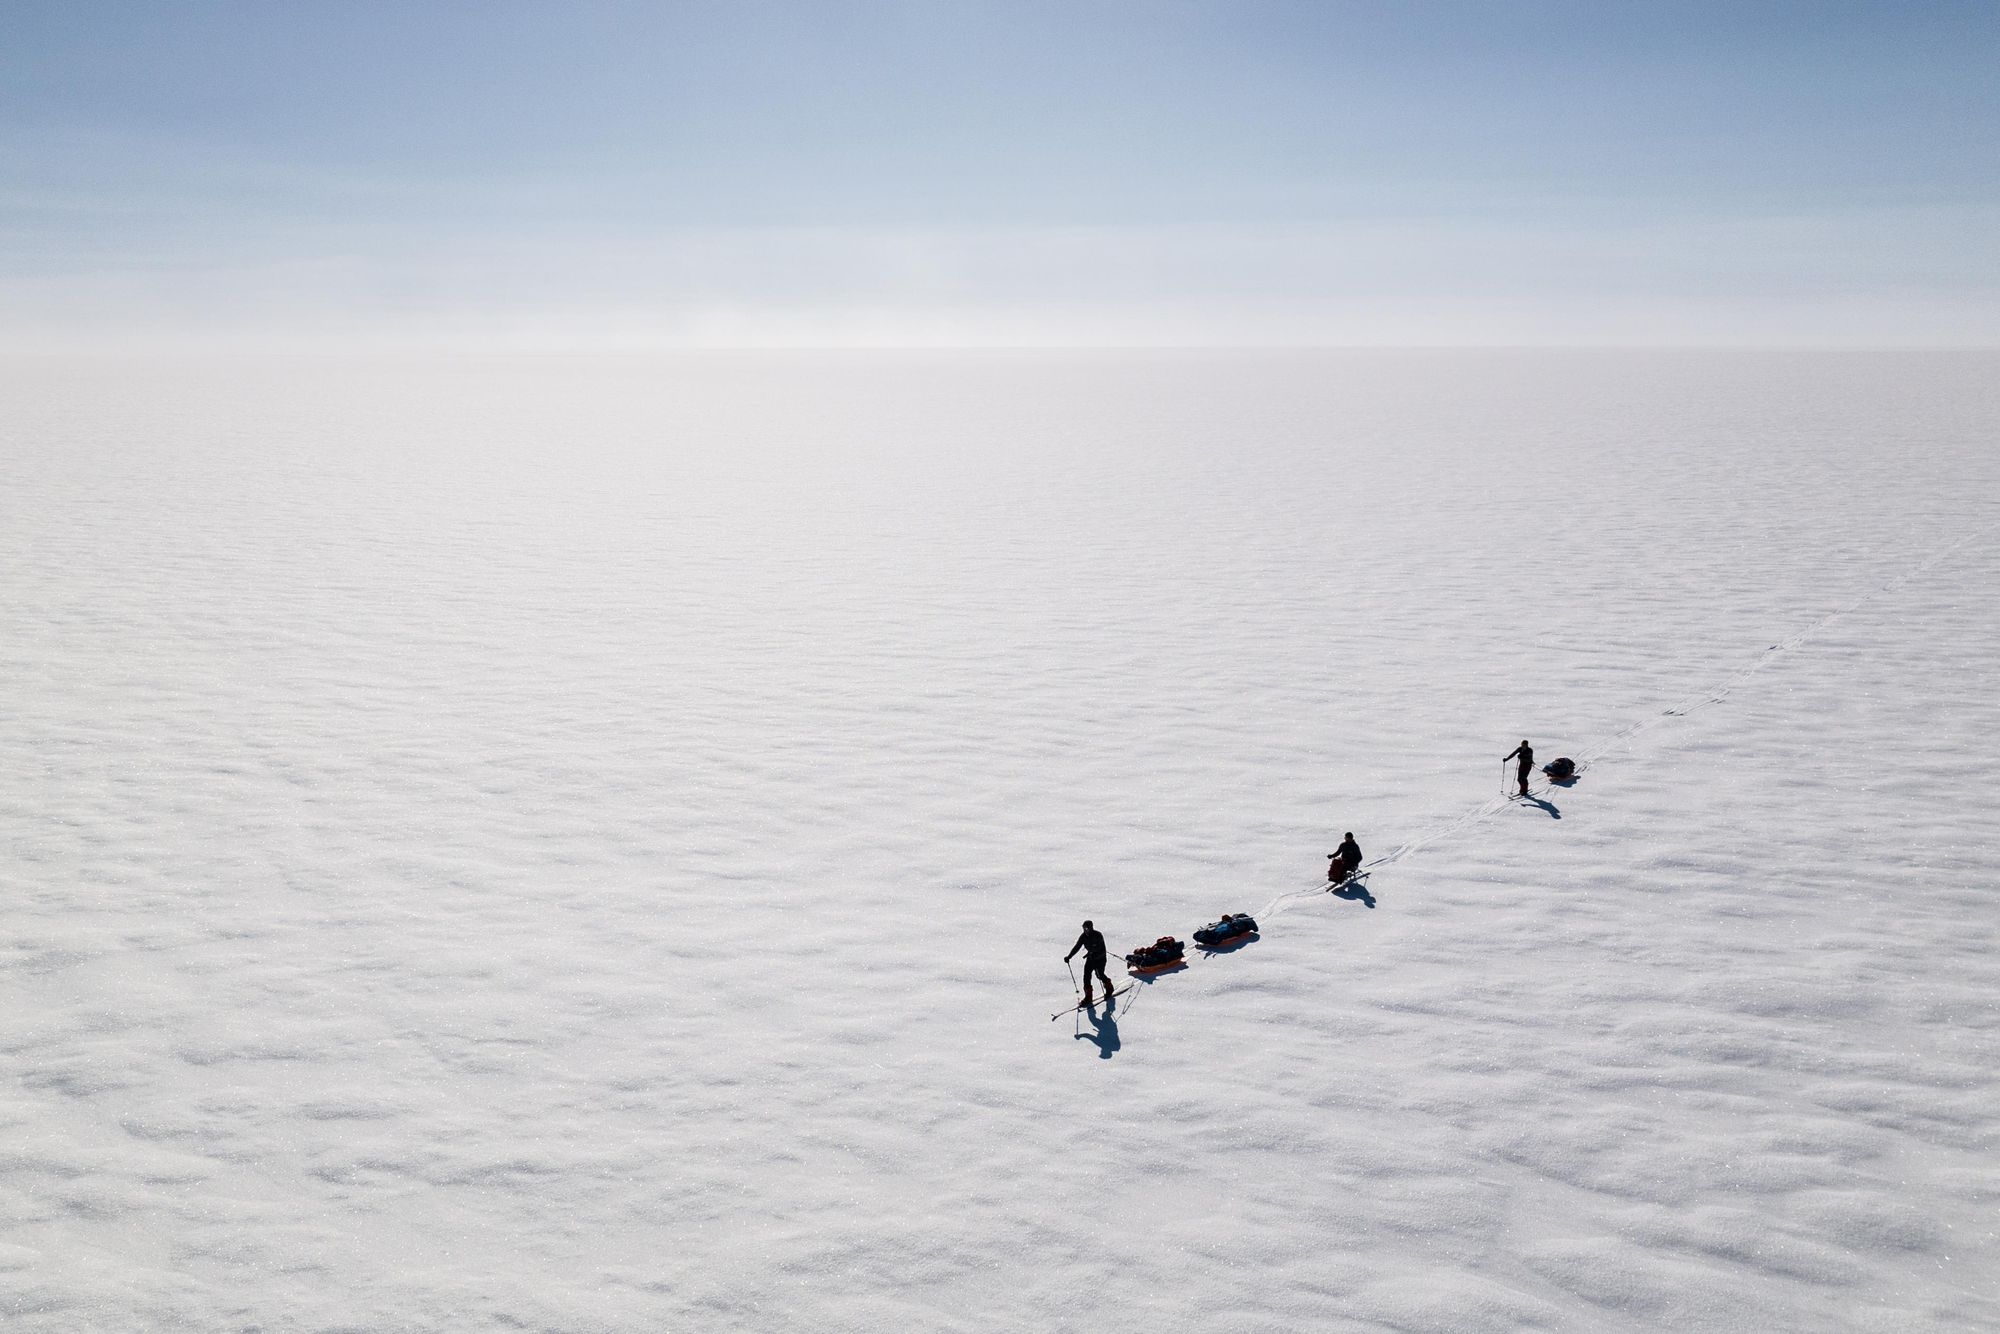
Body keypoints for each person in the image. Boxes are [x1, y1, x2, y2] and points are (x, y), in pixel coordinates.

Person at [1066, 920, 1114, 1005]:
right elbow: (1077, 946)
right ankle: (1088, 997)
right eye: (1084, 928)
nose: (1085, 930)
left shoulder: (1098, 935)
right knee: (1086, 976)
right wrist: (1069, 956)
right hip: (1090, 958)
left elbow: (1102, 950)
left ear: (1091, 927)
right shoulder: (1083, 936)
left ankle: (1109, 988)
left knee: (1099, 975)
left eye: (1087, 928)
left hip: (1100, 959)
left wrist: (1096, 956)